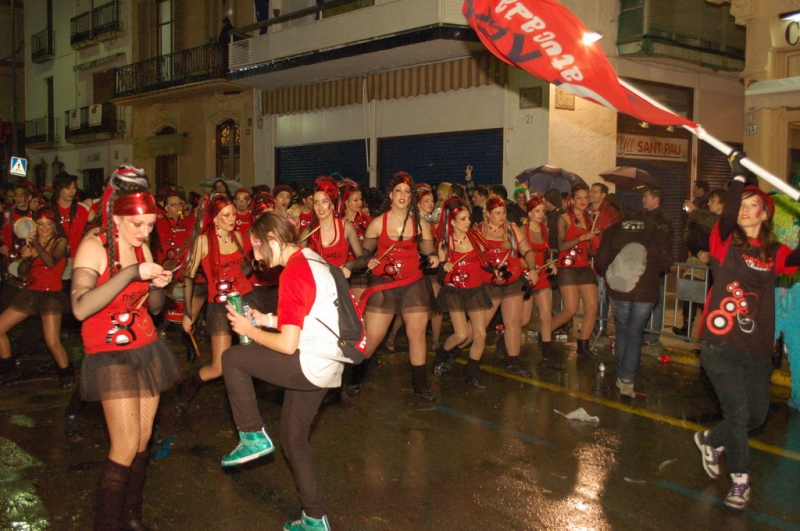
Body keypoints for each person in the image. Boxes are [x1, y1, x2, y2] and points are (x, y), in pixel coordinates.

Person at [70, 165, 179, 531]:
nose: (145, 232)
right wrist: (132, 273)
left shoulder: (142, 245)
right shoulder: (93, 246)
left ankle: (131, 517)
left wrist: (161, 281)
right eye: (138, 225)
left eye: (150, 225)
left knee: (143, 440)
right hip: (108, 351)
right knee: (125, 443)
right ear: (116, 215)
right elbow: (81, 306)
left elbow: (156, 308)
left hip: (146, 346)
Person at [221, 212, 342, 531]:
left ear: (272, 240)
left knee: (233, 358)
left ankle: (251, 434)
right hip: (329, 363)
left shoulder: (293, 273)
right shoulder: (311, 258)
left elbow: (288, 345)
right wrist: (268, 320)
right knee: (293, 438)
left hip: (308, 360)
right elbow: (308, 314)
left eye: (258, 249)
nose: (256, 258)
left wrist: (249, 328)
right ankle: (315, 519)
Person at [693, 153, 800, 510]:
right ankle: (740, 482)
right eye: (742, 203)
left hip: (757, 346)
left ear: (765, 214)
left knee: (755, 417)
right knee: (738, 415)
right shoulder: (724, 241)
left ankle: (711, 440)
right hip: (720, 343)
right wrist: (739, 177)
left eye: (753, 205)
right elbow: (726, 215)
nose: (743, 209)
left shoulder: (774, 252)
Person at [352, 172, 439, 401]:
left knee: (417, 335)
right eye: (398, 190)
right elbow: (363, 254)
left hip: (413, 284)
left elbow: (431, 253)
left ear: (411, 197)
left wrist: (435, 258)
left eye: (407, 191)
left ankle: (420, 384)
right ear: (390, 195)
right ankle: (353, 377)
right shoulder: (377, 223)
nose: (402, 195)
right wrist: (368, 260)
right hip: (384, 285)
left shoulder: (420, 225)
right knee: (372, 338)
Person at [176, 194, 260, 413]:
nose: (232, 219)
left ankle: (245, 403)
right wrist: (188, 312)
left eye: (233, 214)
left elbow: (248, 265)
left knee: (253, 354)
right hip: (219, 305)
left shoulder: (239, 237)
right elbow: (188, 275)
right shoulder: (203, 241)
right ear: (214, 218)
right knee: (219, 367)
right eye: (226, 215)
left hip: (244, 299)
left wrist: (242, 275)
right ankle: (189, 385)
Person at [594, 194, 673, 398]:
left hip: (619, 290)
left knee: (622, 331)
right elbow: (666, 262)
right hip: (646, 291)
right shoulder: (655, 230)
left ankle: (621, 375)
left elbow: (600, 262)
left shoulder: (613, 231)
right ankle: (627, 380)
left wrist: (612, 274)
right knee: (635, 333)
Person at [0, 207, 74, 387]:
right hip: (31, 292)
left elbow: (51, 262)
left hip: (51, 295)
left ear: (54, 224)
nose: (44, 228)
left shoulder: (61, 241)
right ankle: (9, 368)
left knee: (52, 341)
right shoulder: (31, 244)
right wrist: (25, 257)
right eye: (40, 225)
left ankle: (65, 373)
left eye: (48, 224)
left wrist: (36, 246)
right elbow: (22, 271)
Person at [432, 199, 493, 388]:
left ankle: (471, 372)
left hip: (475, 288)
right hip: (454, 290)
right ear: (452, 221)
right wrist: (445, 267)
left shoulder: (475, 238)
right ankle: (441, 355)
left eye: (468, 218)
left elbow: (486, 264)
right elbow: (440, 276)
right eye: (463, 219)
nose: (468, 222)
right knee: (461, 334)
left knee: (481, 334)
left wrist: (497, 272)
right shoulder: (445, 243)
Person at [478, 196, 540, 376]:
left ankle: (513, 361)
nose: (502, 216)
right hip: (490, 283)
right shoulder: (479, 231)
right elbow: (474, 257)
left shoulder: (512, 229)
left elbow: (527, 249)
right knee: (480, 326)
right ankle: (455, 352)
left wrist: (533, 268)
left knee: (513, 323)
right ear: (488, 214)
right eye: (497, 213)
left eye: (504, 212)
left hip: (512, 281)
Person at [549, 183, 600, 360]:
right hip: (567, 266)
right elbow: (560, 245)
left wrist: (597, 240)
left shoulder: (589, 219)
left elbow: (591, 250)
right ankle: (545, 335)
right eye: (579, 197)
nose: (583, 201)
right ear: (572, 199)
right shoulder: (564, 218)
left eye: (586, 197)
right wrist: (581, 238)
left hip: (584, 266)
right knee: (570, 310)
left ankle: (583, 345)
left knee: (592, 307)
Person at [673, 189, 726, 337]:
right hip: (697, 263)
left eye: (713, 201)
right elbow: (690, 238)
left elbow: (717, 228)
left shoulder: (725, 221)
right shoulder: (700, 219)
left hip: (714, 268)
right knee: (690, 295)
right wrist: (699, 252)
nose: (709, 203)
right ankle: (687, 326)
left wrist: (711, 255)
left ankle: (707, 335)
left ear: (723, 203)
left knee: (708, 302)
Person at [522, 194, 560, 369]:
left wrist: (551, 264)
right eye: (537, 211)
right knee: (524, 319)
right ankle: (503, 341)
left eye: (543, 211)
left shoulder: (545, 229)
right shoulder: (522, 229)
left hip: (542, 274)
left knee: (546, 315)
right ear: (529, 213)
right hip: (527, 274)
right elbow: (517, 255)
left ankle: (547, 354)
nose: (540, 214)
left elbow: (545, 253)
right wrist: (530, 267)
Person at [641, 186, 674, 345]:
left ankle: (652, 335)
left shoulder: (662, 220)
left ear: (656, 199)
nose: (643, 199)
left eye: (646, 196)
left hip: (655, 266)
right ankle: (645, 332)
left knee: (656, 301)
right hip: (644, 265)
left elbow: (662, 245)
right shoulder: (645, 216)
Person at [587, 182, 620, 335]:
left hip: (601, 259)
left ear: (603, 195)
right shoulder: (586, 210)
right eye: (590, 191)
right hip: (587, 258)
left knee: (602, 295)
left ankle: (601, 326)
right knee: (591, 295)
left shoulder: (610, 213)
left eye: (595, 192)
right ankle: (593, 323)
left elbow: (612, 236)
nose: (591, 194)